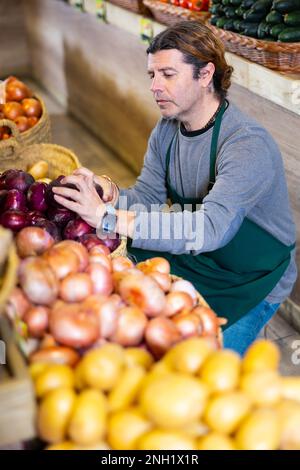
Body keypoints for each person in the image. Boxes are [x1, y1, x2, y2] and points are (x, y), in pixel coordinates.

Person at [52, 21, 297, 355]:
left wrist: (108, 218)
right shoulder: (168, 129)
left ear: (205, 74)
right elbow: (148, 198)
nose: (155, 86)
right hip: (197, 254)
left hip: (251, 276)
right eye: (151, 75)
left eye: (167, 74)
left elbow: (209, 229)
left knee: (202, 366)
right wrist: (108, 193)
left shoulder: (246, 145)